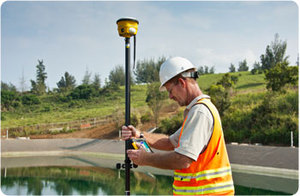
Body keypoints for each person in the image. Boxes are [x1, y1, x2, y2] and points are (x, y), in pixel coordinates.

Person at [122, 57, 234, 195]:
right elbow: (170, 142)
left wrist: (145, 159)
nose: (170, 96)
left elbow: (183, 160)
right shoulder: (197, 111)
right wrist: (139, 135)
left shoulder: (200, 112)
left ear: (181, 83)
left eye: (170, 91)